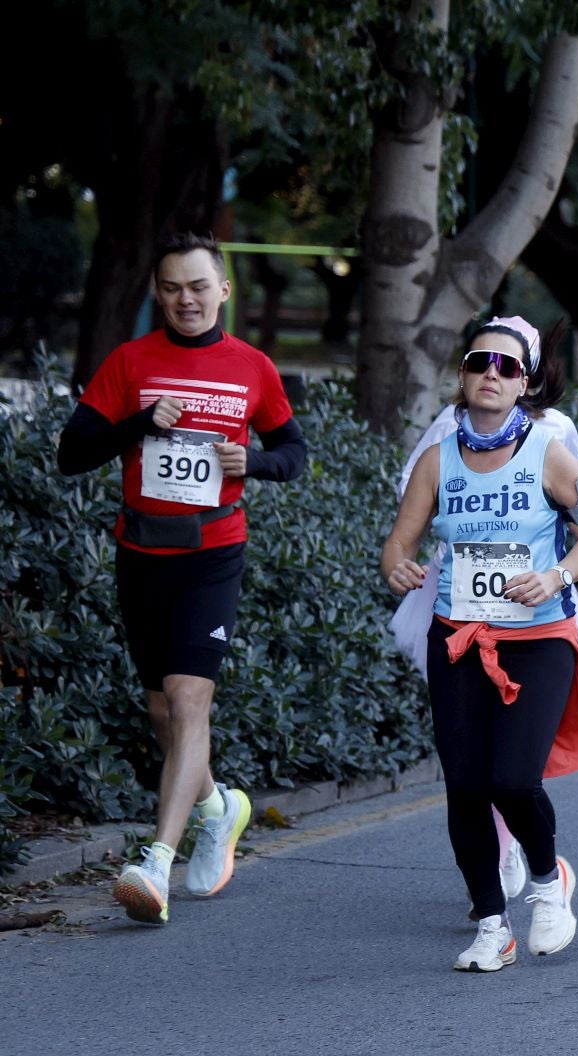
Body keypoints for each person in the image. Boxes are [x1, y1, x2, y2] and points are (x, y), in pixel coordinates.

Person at [58, 233, 309, 926]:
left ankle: (155, 862)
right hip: (142, 554)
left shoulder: (252, 368)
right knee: (164, 714)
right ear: (158, 294)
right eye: (171, 287)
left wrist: (249, 463)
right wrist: (137, 423)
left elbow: (294, 454)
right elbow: (72, 452)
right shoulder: (132, 362)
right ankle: (218, 808)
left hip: (213, 553)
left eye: (198, 286)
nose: (185, 299)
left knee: (188, 699)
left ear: (223, 290)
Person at [380, 318, 578, 970]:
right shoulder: (438, 458)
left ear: (527, 383)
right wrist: (399, 566)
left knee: (513, 778)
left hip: (538, 636)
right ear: (462, 375)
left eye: (508, 367)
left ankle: (548, 884)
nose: (492, 373)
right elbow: (398, 544)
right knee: (463, 785)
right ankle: (493, 923)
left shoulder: (550, 449)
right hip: (458, 635)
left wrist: (555, 573)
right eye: (480, 362)